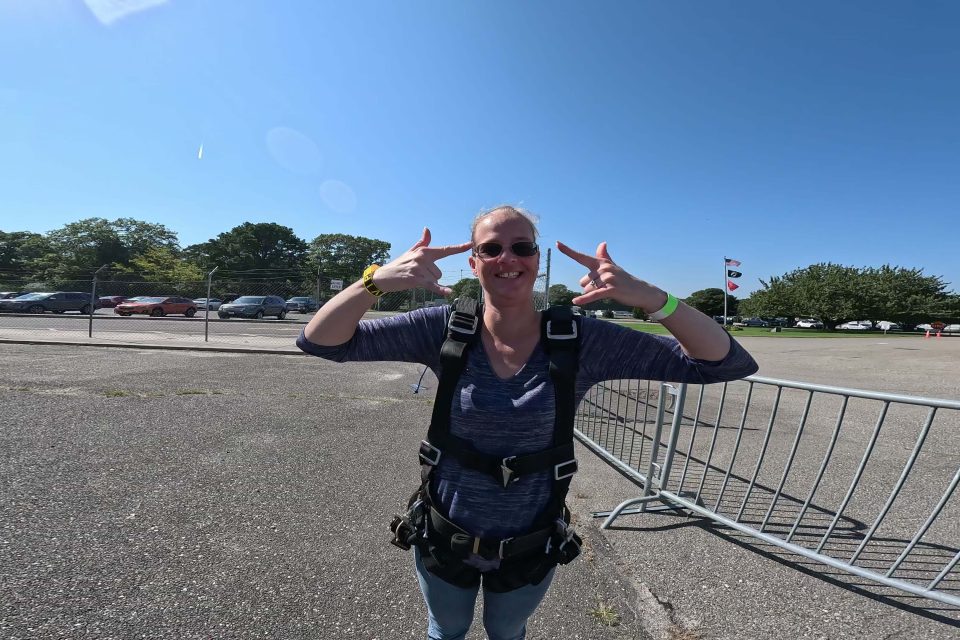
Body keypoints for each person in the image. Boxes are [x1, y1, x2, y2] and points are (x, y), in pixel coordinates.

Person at [297, 205, 758, 640]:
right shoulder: (444, 328)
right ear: (474, 262)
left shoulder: (577, 340)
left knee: (507, 632)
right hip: (444, 533)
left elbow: (722, 363)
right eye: (492, 248)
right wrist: (373, 282)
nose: (507, 258)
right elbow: (323, 342)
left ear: (537, 260)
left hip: (531, 541)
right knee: (446, 631)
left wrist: (654, 298)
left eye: (522, 247)